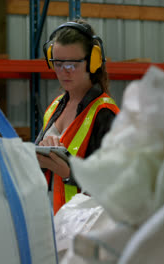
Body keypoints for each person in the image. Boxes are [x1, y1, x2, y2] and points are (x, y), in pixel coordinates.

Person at [36, 19, 119, 213]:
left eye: (73, 63)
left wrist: (68, 173)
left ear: (93, 61)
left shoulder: (105, 113)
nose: (64, 71)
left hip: (86, 228)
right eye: (58, 63)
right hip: (58, 222)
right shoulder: (55, 107)